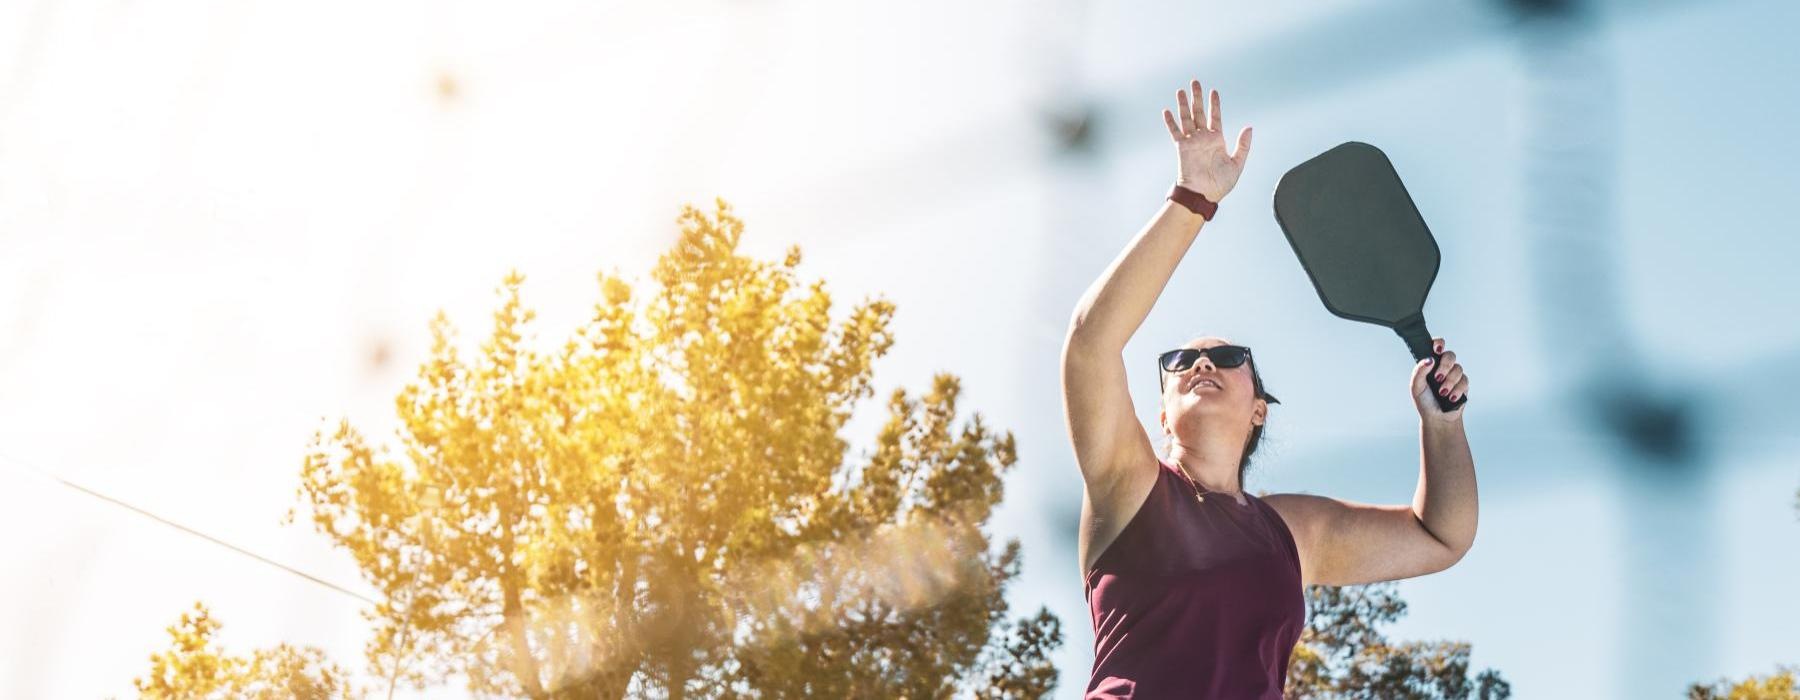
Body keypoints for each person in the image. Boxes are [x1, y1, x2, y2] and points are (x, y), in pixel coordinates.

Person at [1059, 79, 1480, 699]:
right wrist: (1192, 198)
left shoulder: (1291, 532)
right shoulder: (1131, 488)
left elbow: (1442, 537)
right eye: (1179, 361)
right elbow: (1091, 344)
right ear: (1162, 415)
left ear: (1259, 407)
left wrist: (1442, 426)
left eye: (1226, 357)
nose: (1201, 363)